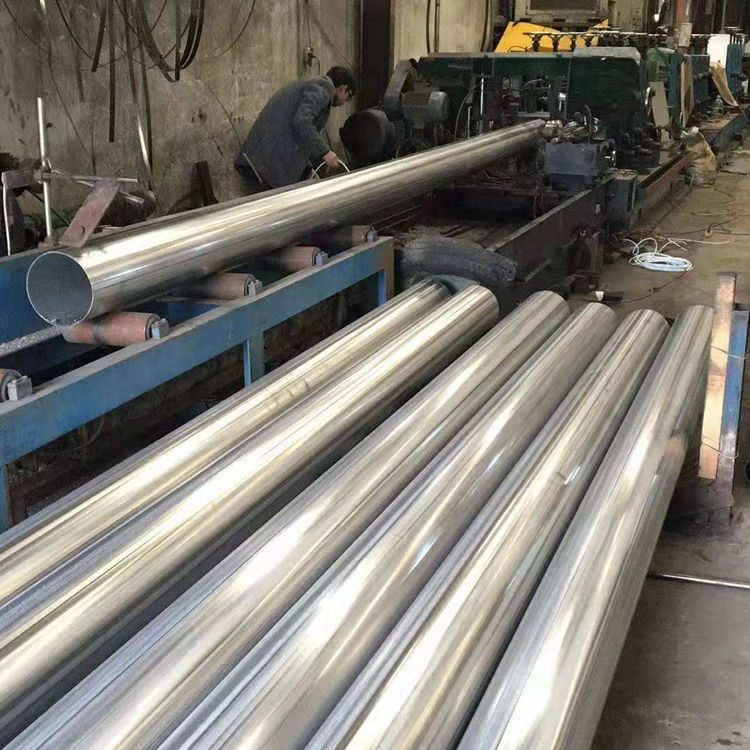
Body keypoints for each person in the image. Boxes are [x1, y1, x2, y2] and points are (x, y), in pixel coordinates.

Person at [235, 66, 356, 192]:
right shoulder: (324, 88)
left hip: (260, 159)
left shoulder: (310, 85)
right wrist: (325, 152)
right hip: (266, 162)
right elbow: (302, 122)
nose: (343, 103)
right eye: (348, 97)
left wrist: (307, 170)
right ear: (344, 88)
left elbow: (299, 134)